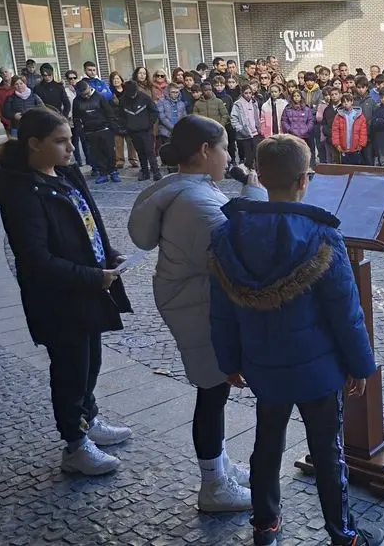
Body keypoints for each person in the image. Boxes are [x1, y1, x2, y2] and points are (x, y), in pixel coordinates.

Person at [208, 133, 384, 546]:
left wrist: (229, 359)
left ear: (260, 175)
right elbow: (346, 311)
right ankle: (342, 534)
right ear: (305, 179)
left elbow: (221, 309)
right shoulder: (320, 235)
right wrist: (362, 365)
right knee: (327, 453)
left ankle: (264, 525)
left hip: (262, 364)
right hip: (317, 369)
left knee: (266, 445)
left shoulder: (228, 233)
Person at [128, 115, 265, 512]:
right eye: (224, 148)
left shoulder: (190, 190)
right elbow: (241, 250)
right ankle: (213, 485)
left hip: (193, 299)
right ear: (205, 151)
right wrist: (255, 196)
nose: (229, 157)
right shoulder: (196, 201)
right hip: (197, 305)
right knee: (212, 391)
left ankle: (218, 464)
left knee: (215, 389)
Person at [0, 107, 133, 476]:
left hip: (86, 290)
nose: (71, 148)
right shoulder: (22, 191)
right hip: (59, 298)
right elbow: (35, 257)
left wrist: (108, 252)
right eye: (61, 141)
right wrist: (90, 276)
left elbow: (88, 222)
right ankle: (75, 443)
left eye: (70, 139)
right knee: (70, 370)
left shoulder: (65, 174)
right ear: (35, 144)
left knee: (91, 362)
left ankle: (89, 419)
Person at [73, 79, 120, 184]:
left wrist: (112, 128)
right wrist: (80, 130)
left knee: (109, 152)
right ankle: (102, 173)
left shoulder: (99, 97)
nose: (86, 97)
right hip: (89, 131)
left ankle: (113, 171)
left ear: (89, 88)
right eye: (83, 95)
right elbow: (76, 117)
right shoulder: (77, 101)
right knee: (96, 154)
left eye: (87, 94)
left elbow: (109, 113)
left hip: (104, 129)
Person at [118, 80, 161, 182]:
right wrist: (127, 126)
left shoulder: (144, 97)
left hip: (146, 130)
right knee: (140, 153)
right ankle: (145, 172)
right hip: (133, 131)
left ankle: (156, 172)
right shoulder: (123, 100)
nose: (132, 96)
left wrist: (149, 124)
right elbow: (121, 116)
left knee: (150, 151)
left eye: (134, 94)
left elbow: (154, 111)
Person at [230, 84, 261, 169]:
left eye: (250, 93)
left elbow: (257, 116)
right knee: (248, 156)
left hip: (255, 132)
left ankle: (257, 172)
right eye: (246, 93)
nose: (248, 95)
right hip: (244, 134)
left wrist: (259, 127)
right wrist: (240, 129)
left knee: (256, 154)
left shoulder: (254, 103)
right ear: (242, 93)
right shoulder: (238, 104)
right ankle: (248, 172)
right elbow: (234, 118)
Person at [331, 93, 368, 164]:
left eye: (348, 101)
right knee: (345, 168)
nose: (346, 103)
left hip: (356, 147)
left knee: (356, 167)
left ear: (352, 102)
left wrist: (361, 144)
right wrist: (337, 144)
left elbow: (363, 131)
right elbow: (335, 131)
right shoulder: (338, 116)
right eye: (344, 102)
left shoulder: (359, 115)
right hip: (343, 147)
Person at [0, 67, 16, 136]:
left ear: (10, 73)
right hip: (6, 120)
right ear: (0, 76)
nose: (4, 74)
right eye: (2, 73)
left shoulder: (17, 85)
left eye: (6, 72)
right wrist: (1, 115)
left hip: (19, 118)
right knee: (12, 142)